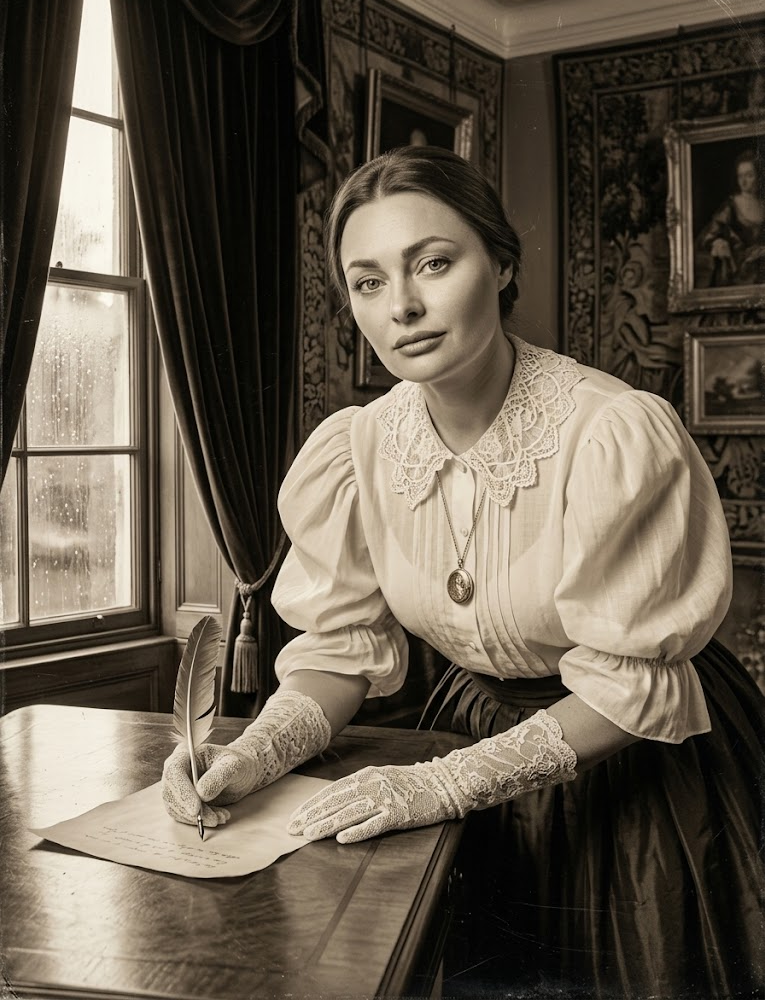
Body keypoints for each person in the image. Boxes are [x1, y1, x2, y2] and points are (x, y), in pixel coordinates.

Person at [163, 145, 765, 999]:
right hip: (464, 737)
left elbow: (631, 690)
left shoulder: (614, 433)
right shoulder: (356, 447)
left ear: (502, 263)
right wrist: (252, 752)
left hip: (641, 771)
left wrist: (444, 783)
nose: (402, 305)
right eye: (367, 282)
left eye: (434, 264)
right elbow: (340, 651)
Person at [698, 148, 765, 287]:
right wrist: (717, 242)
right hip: (738, 271)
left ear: (759, 176)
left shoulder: (763, 204)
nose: (744, 181)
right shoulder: (731, 206)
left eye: (749, 175)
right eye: (740, 176)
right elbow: (708, 236)